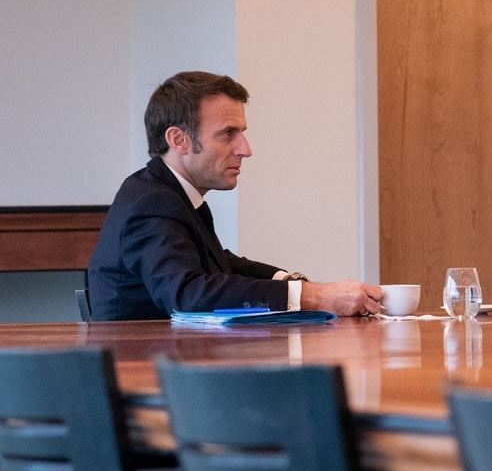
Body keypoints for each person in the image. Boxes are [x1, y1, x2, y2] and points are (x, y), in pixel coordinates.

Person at [88, 71, 382, 320]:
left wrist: (299, 285)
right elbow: (188, 294)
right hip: (150, 369)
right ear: (179, 139)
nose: (245, 149)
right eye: (228, 134)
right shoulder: (151, 202)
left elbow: (219, 263)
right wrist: (314, 297)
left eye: (242, 133)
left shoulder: (165, 192)